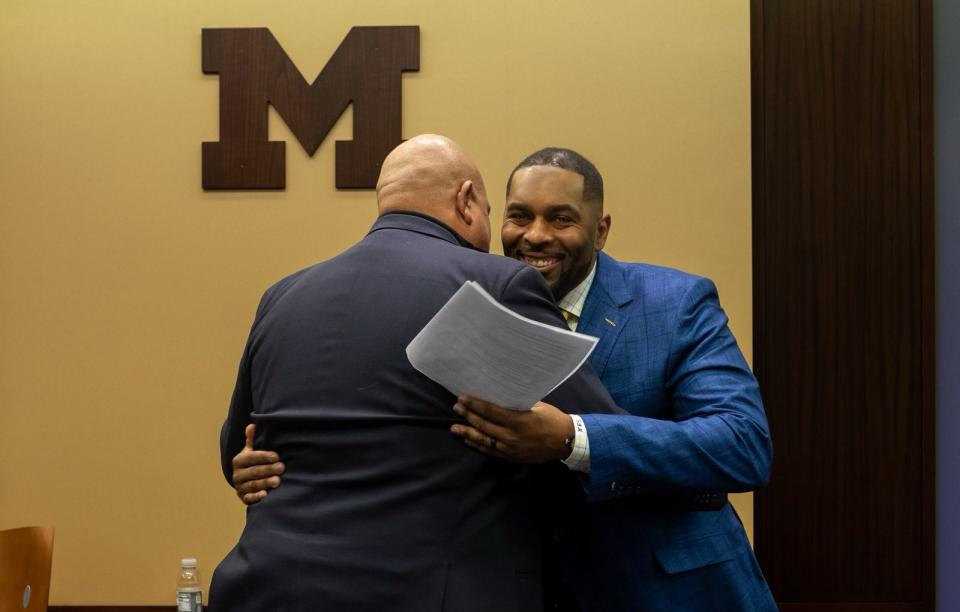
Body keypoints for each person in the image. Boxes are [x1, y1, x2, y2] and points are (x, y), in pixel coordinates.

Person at [232, 147, 777, 610]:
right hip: (528, 589)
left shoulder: (675, 304)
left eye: (561, 219)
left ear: (601, 229)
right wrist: (264, 464)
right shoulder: (470, 300)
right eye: (518, 216)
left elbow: (743, 445)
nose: (535, 236)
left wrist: (574, 438)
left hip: (664, 590)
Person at [207, 136, 620, 612]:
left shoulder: (283, 295)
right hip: (428, 590)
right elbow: (595, 434)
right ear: (467, 201)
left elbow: (236, 451)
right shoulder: (494, 284)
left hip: (266, 586)